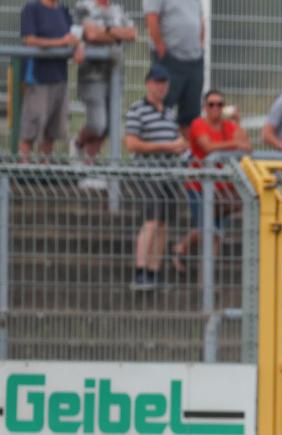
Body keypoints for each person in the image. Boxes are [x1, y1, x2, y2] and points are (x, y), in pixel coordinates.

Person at [171, 89, 252, 273]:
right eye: (211, 104)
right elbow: (207, 147)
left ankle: (202, 269)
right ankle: (184, 250)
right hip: (199, 185)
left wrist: (237, 122)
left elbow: (247, 146)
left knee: (215, 232)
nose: (216, 108)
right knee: (207, 227)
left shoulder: (229, 126)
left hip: (222, 189)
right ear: (205, 107)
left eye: (220, 104)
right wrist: (234, 144)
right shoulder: (198, 124)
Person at [125, 65, 188, 291]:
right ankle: (140, 271)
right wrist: (166, 147)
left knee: (163, 224)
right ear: (147, 84)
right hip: (148, 174)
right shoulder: (137, 110)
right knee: (151, 221)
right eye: (156, 82)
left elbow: (176, 141)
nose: (160, 87)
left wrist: (180, 147)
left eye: (164, 83)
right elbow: (131, 144)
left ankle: (154, 271)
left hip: (169, 174)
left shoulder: (169, 112)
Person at [71, 0, 136, 189]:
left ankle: (90, 169)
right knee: (97, 124)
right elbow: (90, 34)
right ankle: (77, 143)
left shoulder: (117, 9)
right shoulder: (83, 7)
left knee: (109, 127)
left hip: (115, 75)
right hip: (92, 75)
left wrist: (105, 32)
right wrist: (116, 34)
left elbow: (132, 34)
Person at [19, 0, 84, 159]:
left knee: (52, 131)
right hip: (38, 77)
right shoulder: (32, 8)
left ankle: (44, 171)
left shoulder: (63, 10)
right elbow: (29, 40)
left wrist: (78, 46)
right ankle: (22, 170)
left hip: (60, 77)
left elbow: (72, 37)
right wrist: (60, 42)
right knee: (31, 128)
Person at [144, 0, 204, 136]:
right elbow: (151, 18)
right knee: (160, 110)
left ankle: (187, 155)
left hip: (194, 61)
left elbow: (200, 20)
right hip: (170, 59)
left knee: (191, 117)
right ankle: (159, 151)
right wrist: (161, 49)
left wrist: (200, 48)